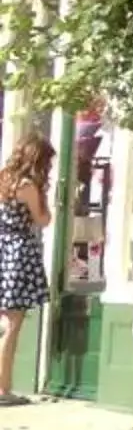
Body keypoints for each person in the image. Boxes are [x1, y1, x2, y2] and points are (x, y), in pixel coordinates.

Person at [0, 134, 53, 408]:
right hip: (18, 252)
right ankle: (2, 388)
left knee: (5, 322)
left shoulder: (3, 179)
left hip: (1, 248)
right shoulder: (28, 186)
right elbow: (43, 220)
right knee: (13, 324)